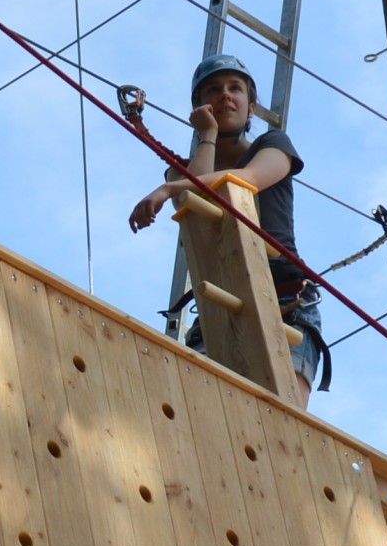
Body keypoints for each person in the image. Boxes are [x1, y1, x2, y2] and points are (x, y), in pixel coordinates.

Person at [127, 55, 324, 386]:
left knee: (278, 410)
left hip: (285, 300)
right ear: (199, 109)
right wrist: (208, 135)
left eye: (235, 89)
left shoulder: (274, 145)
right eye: (214, 90)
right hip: (217, 308)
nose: (225, 96)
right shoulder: (181, 173)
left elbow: (246, 180)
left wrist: (168, 189)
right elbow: (198, 209)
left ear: (251, 108)